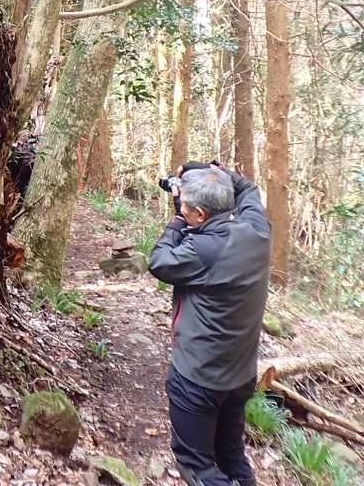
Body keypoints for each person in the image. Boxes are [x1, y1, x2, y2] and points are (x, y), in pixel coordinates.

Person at [148, 162, 271, 486]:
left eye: (187, 207)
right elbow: (248, 189)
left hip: (198, 377)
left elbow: (159, 262)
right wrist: (209, 172)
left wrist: (177, 221)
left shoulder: (202, 249)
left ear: (200, 214)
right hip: (241, 374)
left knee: (197, 466)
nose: (182, 209)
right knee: (231, 456)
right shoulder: (257, 231)